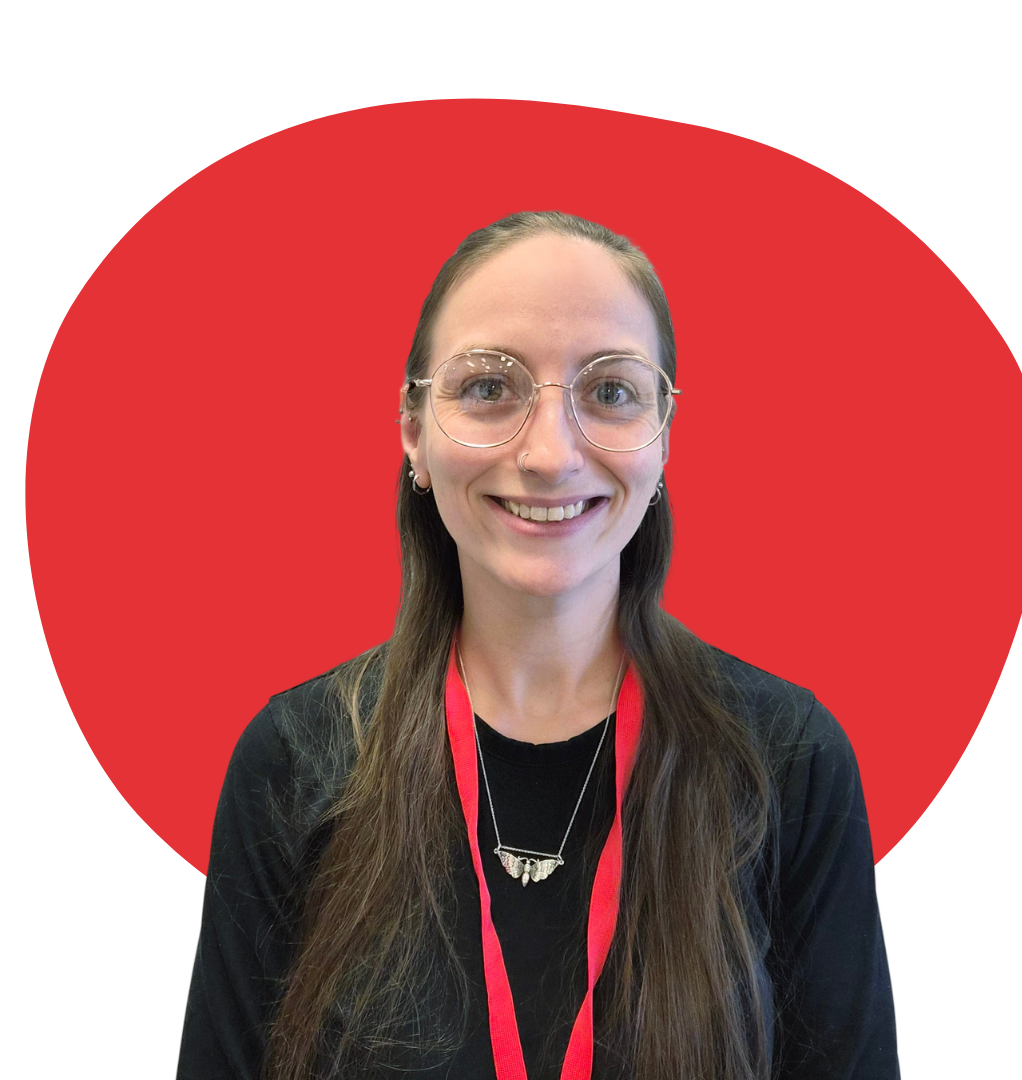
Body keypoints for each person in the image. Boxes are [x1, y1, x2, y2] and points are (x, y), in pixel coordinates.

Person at [177, 211, 900, 1080]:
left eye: (610, 392)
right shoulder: (294, 762)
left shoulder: (787, 761)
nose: (552, 455)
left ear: (664, 434)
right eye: (489, 387)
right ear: (413, 429)